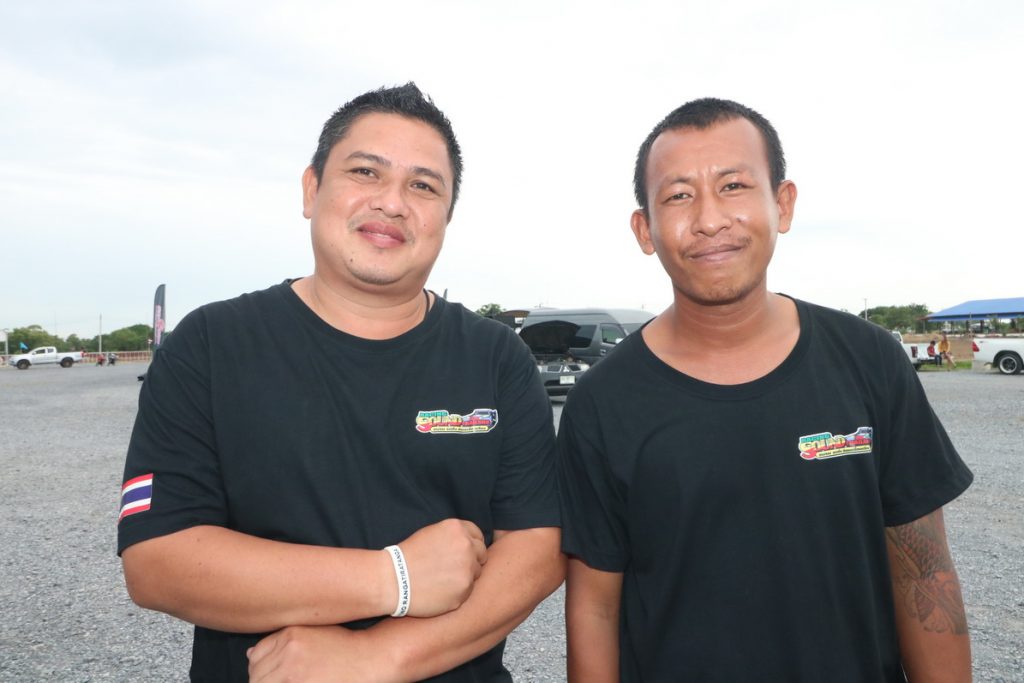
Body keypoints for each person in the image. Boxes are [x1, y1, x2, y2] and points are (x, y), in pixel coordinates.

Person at [118, 83, 563, 682]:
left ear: (446, 217)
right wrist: (394, 578)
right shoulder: (210, 345)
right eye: (365, 172)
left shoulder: (496, 356)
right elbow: (157, 561)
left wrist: (377, 657)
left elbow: (537, 546)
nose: (392, 203)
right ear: (311, 189)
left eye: (423, 186)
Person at [558, 98, 973, 682]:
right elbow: (595, 609)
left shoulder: (870, 360)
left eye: (733, 186)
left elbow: (924, 572)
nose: (710, 219)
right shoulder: (601, 403)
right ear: (644, 229)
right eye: (678, 195)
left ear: (783, 204)